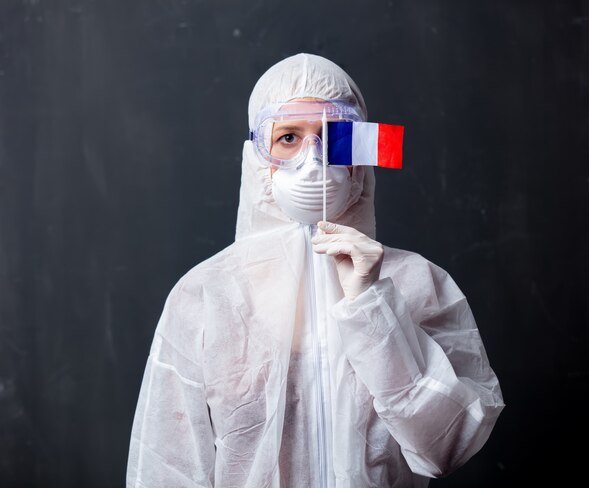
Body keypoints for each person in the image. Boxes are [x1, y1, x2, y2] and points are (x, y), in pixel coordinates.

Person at [126, 53, 505, 488]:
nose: (313, 160)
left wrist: (372, 305)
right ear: (257, 157)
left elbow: (447, 447)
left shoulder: (419, 283)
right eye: (288, 137)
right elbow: (165, 469)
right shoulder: (205, 296)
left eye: (334, 137)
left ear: (359, 156)